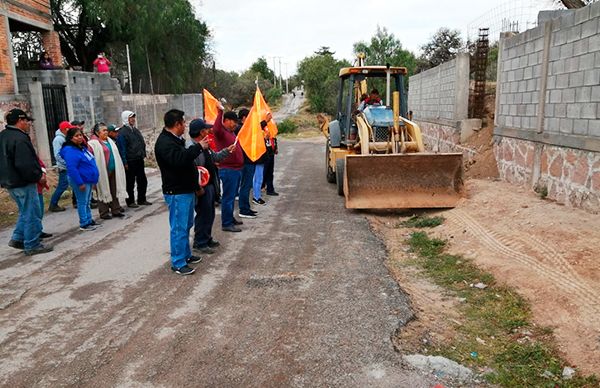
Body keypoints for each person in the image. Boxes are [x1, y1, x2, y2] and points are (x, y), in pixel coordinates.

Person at [154, 109, 204, 275]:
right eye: (183, 123)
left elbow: (186, 163)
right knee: (179, 227)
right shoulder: (164, 143)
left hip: (186, 189)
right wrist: (198, 147)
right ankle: (178, 262)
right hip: (176, 191)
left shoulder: (175, 140)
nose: (185, 126)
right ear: (177, 124)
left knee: (187, 224)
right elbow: (180, 160)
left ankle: (186, 254)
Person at [0, 108, 53, 255]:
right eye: (26, 121)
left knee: (24, 211)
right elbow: (25, 164)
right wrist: (38, 177)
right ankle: (32, 244)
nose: (28, 124)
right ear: (20, 121)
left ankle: (18, 238)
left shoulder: (3, 136)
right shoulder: (20, 138)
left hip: (10, 182)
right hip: (23, 182)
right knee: (32, 213)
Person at [188, 119, 235, 254]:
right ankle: (200, 242)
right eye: (206, 129)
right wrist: (197, 188)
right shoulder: (192, 148)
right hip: (202, 188)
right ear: (201, 132)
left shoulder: (205, 146)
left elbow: (215, 157)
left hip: (210, 186)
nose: (208, 131)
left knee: (210, 214)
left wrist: (227, 151)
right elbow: (193, 170)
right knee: (203, 215)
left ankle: (207, 238)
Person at [60, 127, 100, 231]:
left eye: (80, 135)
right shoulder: (70, 151)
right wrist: (80, 182)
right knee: (82, 201)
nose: (80, 137)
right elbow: (72, 168)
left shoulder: (81, 147)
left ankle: (89, 220)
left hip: (88, 179)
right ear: (70, 138)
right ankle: (84, 223)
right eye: (76, 136)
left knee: (87, 201)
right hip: (81, 180)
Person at [213, 108, 244, 232]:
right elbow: (216, 128)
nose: (235, 124)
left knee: (231, 196)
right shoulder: (221, 132)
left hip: (235, 169)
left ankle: (230, 218)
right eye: (233, 122)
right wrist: (220, 112)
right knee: (228, 197)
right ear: (226, 121)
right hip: (228, 170)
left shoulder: (231, 132)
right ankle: (226, 223)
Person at [88, 123, 127, 220]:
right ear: (97, 133)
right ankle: (104, 212)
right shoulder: (92, 144)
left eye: (106, 130)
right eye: (103, 130)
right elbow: (91, 159)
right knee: (103, 189)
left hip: (113, 169)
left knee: (114, 189)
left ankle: (115, 209)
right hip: (102, 171)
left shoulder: (110, 141)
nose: (106, 132)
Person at [117, 110, 151, 208]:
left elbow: (141, 142)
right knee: (130, 182)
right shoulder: (122, 132)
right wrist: (125, 162)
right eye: (130, 117)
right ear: (126, 118)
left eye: (133, 117)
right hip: (130, 160)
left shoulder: (135, 130)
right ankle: (130, 201)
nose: (133, 119)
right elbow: (122, 148)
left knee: (142, 180)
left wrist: (143, 154)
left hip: (139, 159)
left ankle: (141, 199)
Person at [49, 121, 77, 212]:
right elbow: (57, 155)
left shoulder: (64, 138)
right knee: (62, 185)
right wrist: (66, 163)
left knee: (72, 183)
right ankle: (53, 204)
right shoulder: (58, 139)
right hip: (64, 167)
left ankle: (76, 201)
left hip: (68, 165)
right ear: (65, 129)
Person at [236, 108, 258, 219]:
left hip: (250, 161)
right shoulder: (240, 129)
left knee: (247, 186)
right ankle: (243, 209)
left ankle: (246, 207)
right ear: (244, 118)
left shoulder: (244, 128)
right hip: (246, 162)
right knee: (245, 186)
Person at [251, 112, 273, 206]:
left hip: (262, 157)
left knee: (259, 178)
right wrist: (265, 121)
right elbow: (258, 128)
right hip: (258, 158)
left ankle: (257, 196)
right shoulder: (254, 131)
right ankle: (256, 197)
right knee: (258, 178)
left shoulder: (261, 132)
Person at [36, 157, 52, 239]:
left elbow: (42, 165)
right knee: (34, 212)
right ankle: (34, 233)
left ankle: (38, 230)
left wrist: (43, 174)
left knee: (40, 211)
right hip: (32, 186)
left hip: (38, 186)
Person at [262, 130, 279, 196]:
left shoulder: (271, 125)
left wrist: (275, 147)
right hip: (265, 153)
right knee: (264, 172)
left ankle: (270, 189)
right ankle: (262, 186)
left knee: (270, 172)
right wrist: (264, 139)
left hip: (271, 152)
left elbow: (274, 137)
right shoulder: (261, 125)